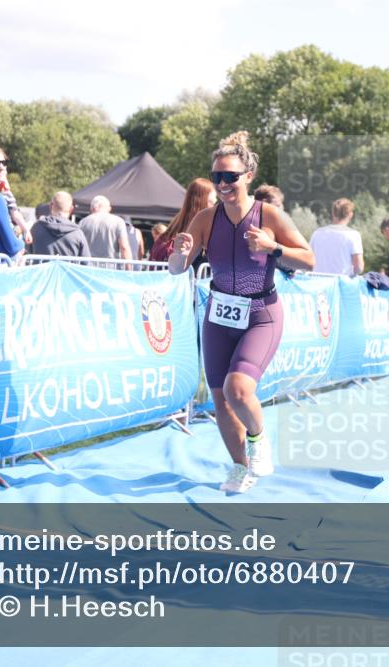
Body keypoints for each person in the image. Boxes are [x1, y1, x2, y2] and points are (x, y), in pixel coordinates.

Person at [168, 131, 315, 493]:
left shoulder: (269, 215)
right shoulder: (205, 218)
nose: (222, 184)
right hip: (219, 316)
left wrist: (273, 247)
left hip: (261, 314)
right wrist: (179, 253)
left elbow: (309, 259)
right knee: (220, 400)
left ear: (248, 176)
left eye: (230, 177)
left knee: (239, 389)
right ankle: (239, 467)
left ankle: (258, 438)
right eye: (217, 177)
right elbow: (177, 268)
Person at [150, 178, 216, 262]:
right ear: (203, 202)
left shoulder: (175, 226)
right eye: (212, 203)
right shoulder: (202, 229)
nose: (215, 205)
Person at [310, 198, 363, 277]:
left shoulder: (317, 233)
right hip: (340, 282)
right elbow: (359, 267)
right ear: (350, 215)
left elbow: (307, 259)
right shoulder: (354, 235)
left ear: (333, 213)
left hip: (317, 281)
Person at [29, 192, 91, 257]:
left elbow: (27, 253)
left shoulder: (36, 228)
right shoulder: (77, 233)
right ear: (71, 209)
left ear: (50, 206)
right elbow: (86, 260)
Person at [78, 195, 132, 263]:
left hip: (88, 265)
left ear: (93, 208)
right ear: (109, 208)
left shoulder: (82, 222)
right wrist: (128, 267)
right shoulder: (118, 221)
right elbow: (124, 247)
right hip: (110, 266)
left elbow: (78, 245)